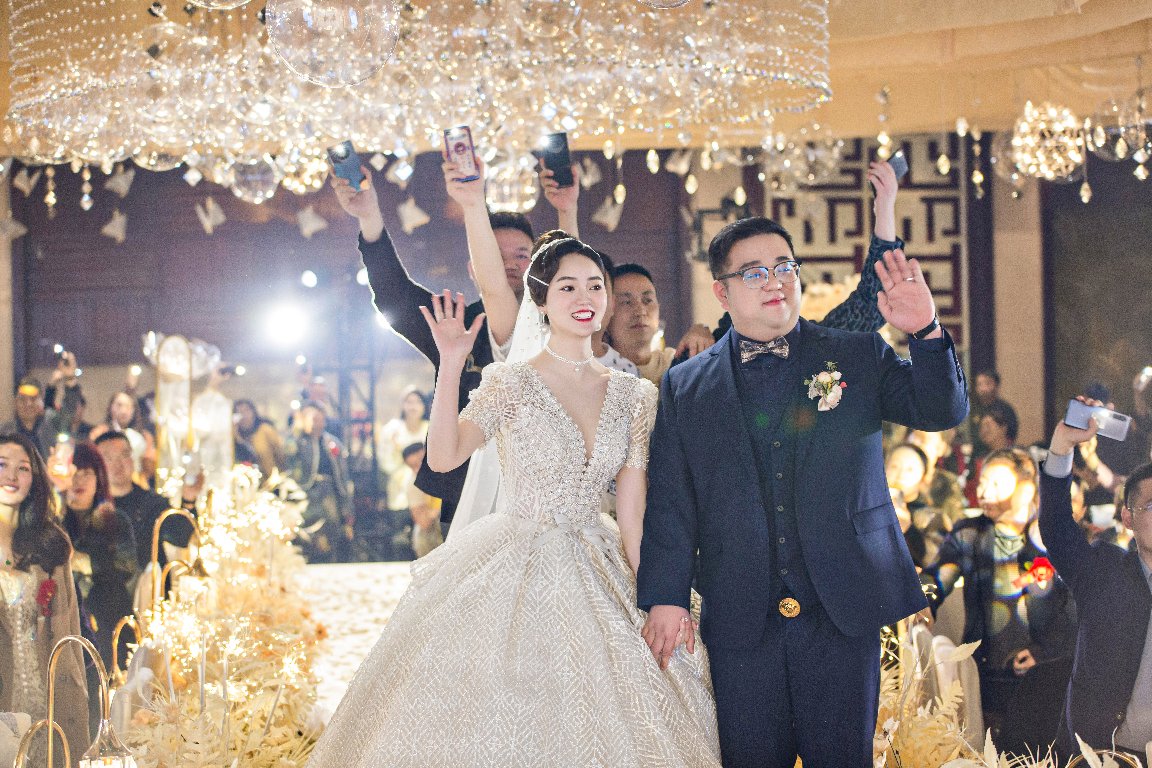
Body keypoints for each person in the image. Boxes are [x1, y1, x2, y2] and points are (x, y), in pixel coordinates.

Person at [307, 236, 721, 768]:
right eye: (567, 287)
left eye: (595, 286)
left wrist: (655, 595)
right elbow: (446, 456)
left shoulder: (635, 395)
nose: (585, 297)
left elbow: (633, 510)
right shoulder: (510, 383)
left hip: (601, 557)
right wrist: (451, 363)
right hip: (513, 557)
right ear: (541, 300)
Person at [637, 173, 968, 767]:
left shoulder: (854, 353)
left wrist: (925, 331)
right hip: (741, 611)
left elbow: (941, 410)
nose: (775, 281)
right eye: (754, 272)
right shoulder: (687, 386)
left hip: (842, 604)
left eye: (784, 267)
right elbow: (671, 500)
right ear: (722, 292)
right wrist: (666, 596)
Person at [930, 447, 1077, 739]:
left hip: (1047, 673)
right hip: (987, 672)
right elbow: (939, 576)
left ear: (1026, 489)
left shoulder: (1050, 536)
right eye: (983, 482)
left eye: (996, 483)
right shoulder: (969, 533)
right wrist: (923, 601)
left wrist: (1046, 652)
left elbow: (1073, 607)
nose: (984, 492)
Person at [1040, 399, 1152, 762]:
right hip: (1099, 755)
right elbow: (1057, 529)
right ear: (1128, 518)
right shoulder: (1105, 572)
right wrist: (1062, 447)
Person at [0, 433, 89, 765]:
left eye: (23, 468)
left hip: (50, 697)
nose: (11, 476)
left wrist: (78, 698)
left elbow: (72, 634)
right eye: (2, 465)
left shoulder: (49, 544)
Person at [58, 443, 137, 731]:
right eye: (73, 472)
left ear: (98, 478)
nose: (78, 480)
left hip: (108, 616)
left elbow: (126, 564)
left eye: (86, 472)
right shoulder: (52, 521)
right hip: (65, 620)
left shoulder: (114, 519)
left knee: (110, 697)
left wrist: (80, 560)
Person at [94, 431, 194, 574]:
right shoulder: (91, 506)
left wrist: (188, 500)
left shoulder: (151, 503)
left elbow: (182, 536)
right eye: (108, 458)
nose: (118, 464)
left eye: (124, 455)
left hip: (150, 585)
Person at [286, 401, 353, 563]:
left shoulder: (332, 442)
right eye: (311, 417)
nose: (315, 422)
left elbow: (342, 476)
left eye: (318, 418)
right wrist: (297, 430)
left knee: (331, 531)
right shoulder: (296, 440)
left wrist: (347, 506)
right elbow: (288, 459)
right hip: (304, 494)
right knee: (307, 533)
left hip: (328, 492)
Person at [0, 354, 82, 459]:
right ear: (15, 402)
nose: (28, 404)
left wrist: (70, 379)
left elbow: (68, 413)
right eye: (22, 399)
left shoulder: (52, 424)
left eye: (33, 399)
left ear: (41, 402)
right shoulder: (4, 433)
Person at [377, 388, 429, 498]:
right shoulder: (392, 429)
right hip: (399, 489)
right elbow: (385, 462)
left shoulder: (431, 429)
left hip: (427, 488)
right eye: (409, 402)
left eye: (418, 402)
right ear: (403, 405)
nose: (413, 407)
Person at [233, 399, 285, 479]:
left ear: (253, 412)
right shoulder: (236, 435)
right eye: (239, 412)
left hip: (272, 479)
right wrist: (237, 437)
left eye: (246, 411)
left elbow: (280, 453)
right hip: (248, 480)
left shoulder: (265, 429)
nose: (244, 415)